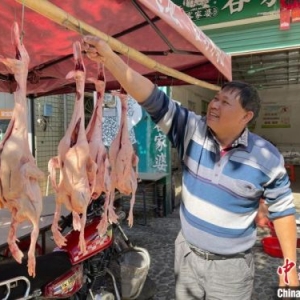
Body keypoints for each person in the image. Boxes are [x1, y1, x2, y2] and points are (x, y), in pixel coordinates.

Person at [83, 35, 299, 299]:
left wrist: (290, 266)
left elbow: (284, 211)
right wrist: (110, 57)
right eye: (216, 98)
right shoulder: (191, 130)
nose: (214, 105)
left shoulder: (267, 157)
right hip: (187, 255)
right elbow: (150, 96)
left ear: (246, 116)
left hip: (231, 267)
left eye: (225, 102)